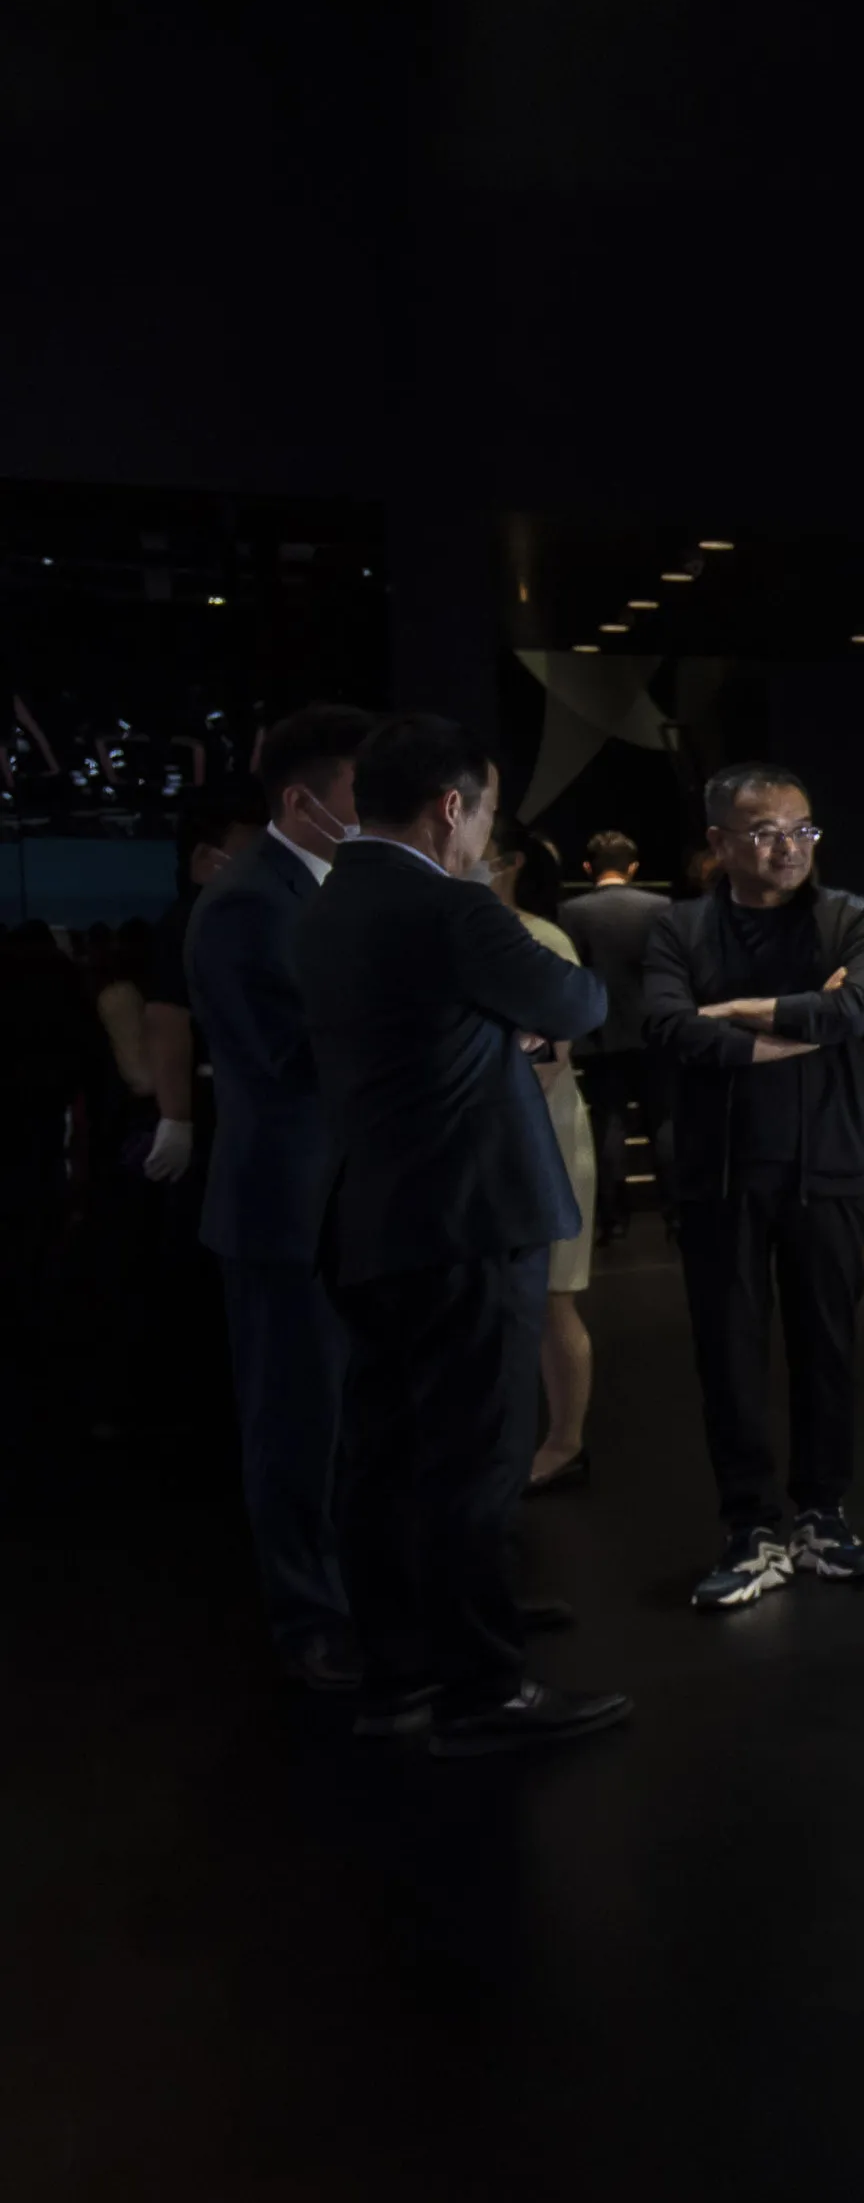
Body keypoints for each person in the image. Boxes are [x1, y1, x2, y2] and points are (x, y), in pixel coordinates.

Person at [291, 715, 628, 1755]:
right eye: (484, 813)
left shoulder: (331, 899)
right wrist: (510, 1018)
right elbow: (577, 1000)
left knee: (385, 1457)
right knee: (472, 1460)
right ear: (452, 808)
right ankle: (484, 1689)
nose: (486, 836)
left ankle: (401, 1669)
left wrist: (488, 1021)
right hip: (470, 1217)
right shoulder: (451, 906)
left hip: (373, 1213)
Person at [646, 763, 864, 1610]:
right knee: (728, 1356)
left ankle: (823, 1512)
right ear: (719, 842)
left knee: (828, 1348)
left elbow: (859, 1009)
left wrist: (728, 1012)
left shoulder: (849, 916)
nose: (788, 847)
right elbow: (668, 1026)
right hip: (719, 1174)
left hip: (831, 1164)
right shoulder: (679, 926)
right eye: (764, 832)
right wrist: (798, 1021)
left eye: (801, 828)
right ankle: (749, 1525)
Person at [187, 704, 371, 1692]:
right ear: (302, 800)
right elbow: (286, 1056)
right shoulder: (249, 900)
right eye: (362, 792)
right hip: (285, 1205)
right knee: (295, 1425)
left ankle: (366, 1598)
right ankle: (309, 1619)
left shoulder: (334, 887)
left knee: (352, 1420)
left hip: (353, 1201)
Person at [491, 836, 603, 1492]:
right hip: (503, 1141)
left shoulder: (541, 940)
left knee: (553, 1298)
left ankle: (565, 1441)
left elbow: (548, 1060)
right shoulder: (479, 933)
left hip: (544, 1140)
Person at [136, 789, 265, 1199]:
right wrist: (177, 1119)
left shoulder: (239, 921)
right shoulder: (191, 924)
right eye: (254, 851)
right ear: (205, 858)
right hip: (209, 1109)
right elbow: (167, 1018)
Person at [558, 832, 675, 1243]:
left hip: (599, 1034)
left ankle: (613, 1219)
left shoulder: (571, 911)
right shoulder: (661, 908)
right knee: (664, 1122)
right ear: (633, 867)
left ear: (588, 868)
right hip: (654, 1033)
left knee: (608, 1125)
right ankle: (676, 1215)